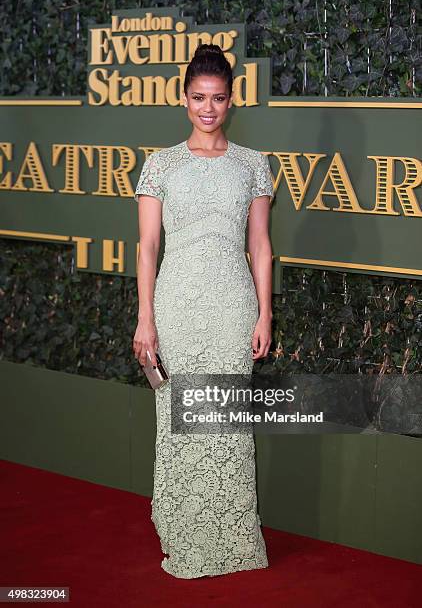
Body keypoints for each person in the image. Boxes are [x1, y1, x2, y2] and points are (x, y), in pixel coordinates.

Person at [132, 43, 274, 579]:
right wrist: (145, 318)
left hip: (233, 306)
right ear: (184, 99)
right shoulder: (161, 165)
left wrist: (264, 315)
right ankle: (185, 531)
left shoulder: (252, 166)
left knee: (227, 425)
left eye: (217, 98)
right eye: (198, 97)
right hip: (177, 305)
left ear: (231, 100)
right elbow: (147, 248)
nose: (208, 108)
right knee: (179, 422)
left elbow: (260, 247)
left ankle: (233, 544)